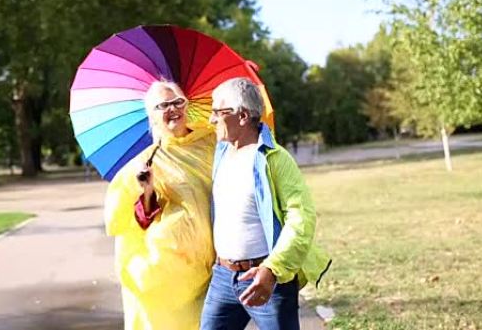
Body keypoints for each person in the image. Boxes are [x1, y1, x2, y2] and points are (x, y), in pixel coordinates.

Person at [201, 78, 331, 330]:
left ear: (242, 116)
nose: (211, 119)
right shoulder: (221, 153)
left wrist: (272, 270)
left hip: (265, 278)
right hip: (223, 277)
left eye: (218, 112)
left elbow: (301, 219)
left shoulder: (276, 159)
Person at [105, 81, 216, 330]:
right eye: (162, 105)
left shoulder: (212, 141)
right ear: (152, 116)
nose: (172, 109)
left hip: (217, 259)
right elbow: (136, 221)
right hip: (173, 268)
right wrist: (147, 189)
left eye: (177, 102)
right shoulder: (145, 162)